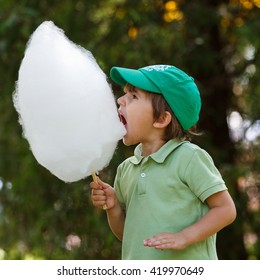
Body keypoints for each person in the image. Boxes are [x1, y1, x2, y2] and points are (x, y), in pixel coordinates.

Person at [90, 64, 236, 260]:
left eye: (133, 96)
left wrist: (184, 237)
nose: (120, 100)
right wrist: (114, 208)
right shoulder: (126, 169)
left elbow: (226, 210)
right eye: (125, 94)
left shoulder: (188, 158)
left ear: (160, 119)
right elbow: (130, 237)